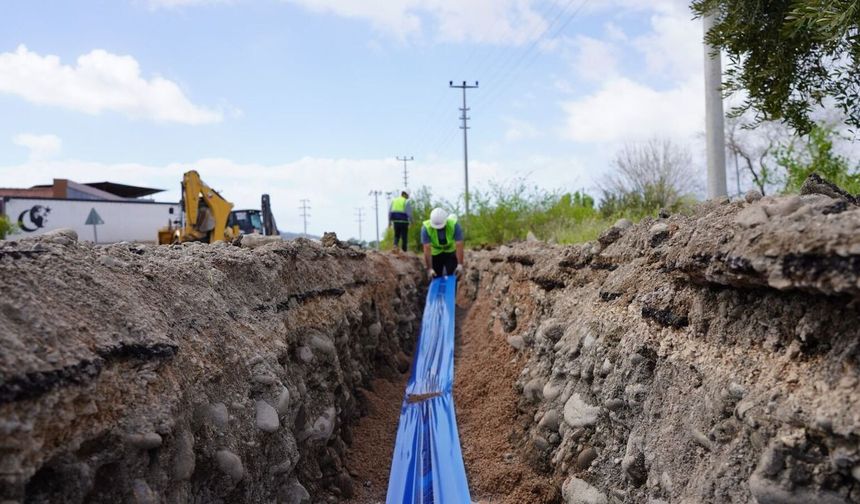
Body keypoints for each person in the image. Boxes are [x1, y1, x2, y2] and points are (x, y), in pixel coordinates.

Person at [422, 207, 464, 279]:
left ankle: (453, 288)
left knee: (453, 275)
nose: (439, 228)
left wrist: (460, 264)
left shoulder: (454, 225)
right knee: (436, 276)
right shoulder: (426, 228)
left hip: (450, 253)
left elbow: (459, 245)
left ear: (446, 221)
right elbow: (427, 248)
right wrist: (429, 268)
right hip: (435, 254)